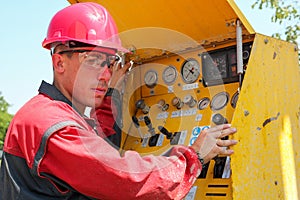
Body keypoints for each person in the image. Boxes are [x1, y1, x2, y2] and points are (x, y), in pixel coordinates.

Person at [0, 2, 238, 200]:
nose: (105, 74)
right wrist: (194, 156)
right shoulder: (52, 125)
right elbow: (126, 178)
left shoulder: (54, 114)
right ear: (60, 62)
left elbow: (95, 142)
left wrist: (111, 95)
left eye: (110, 63)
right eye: (93, 60)